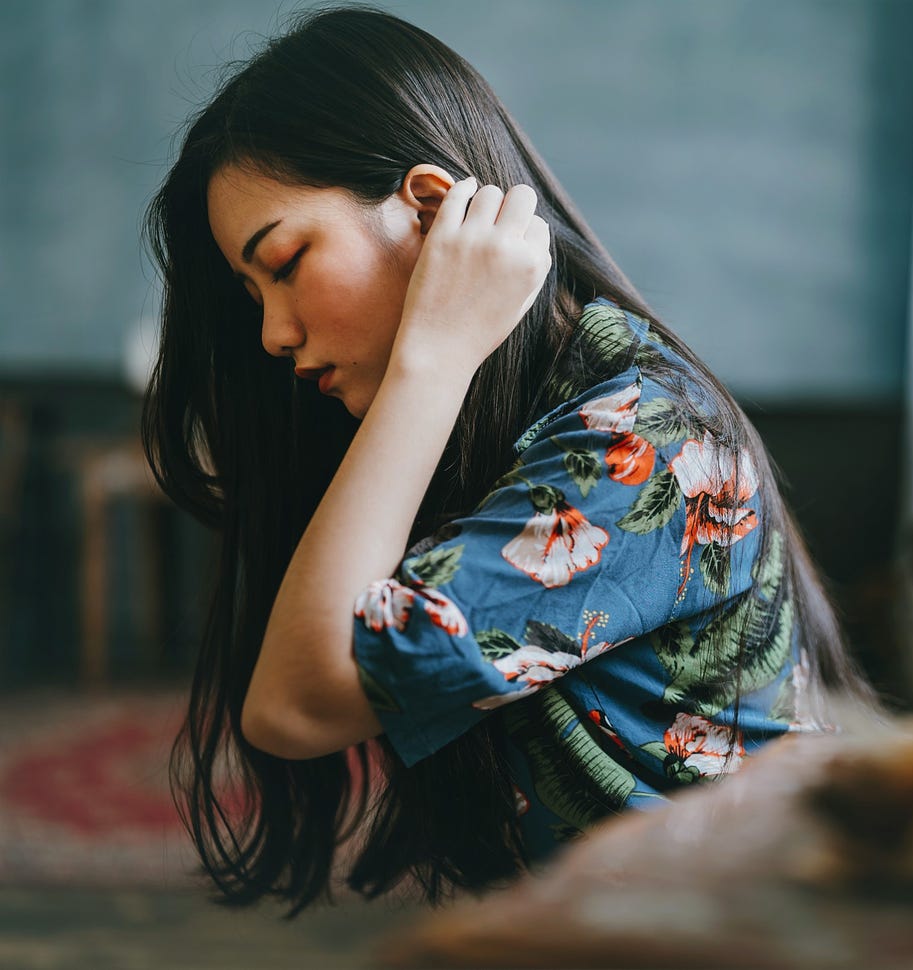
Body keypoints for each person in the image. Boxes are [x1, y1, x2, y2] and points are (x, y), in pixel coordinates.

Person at [143, 5, 876, 914]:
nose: (274, 333)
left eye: (286, 263)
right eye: (251, 293)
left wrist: (433, 356)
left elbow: (294, 707)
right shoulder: (531, 406)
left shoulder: (643, 438)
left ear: (428, 210)